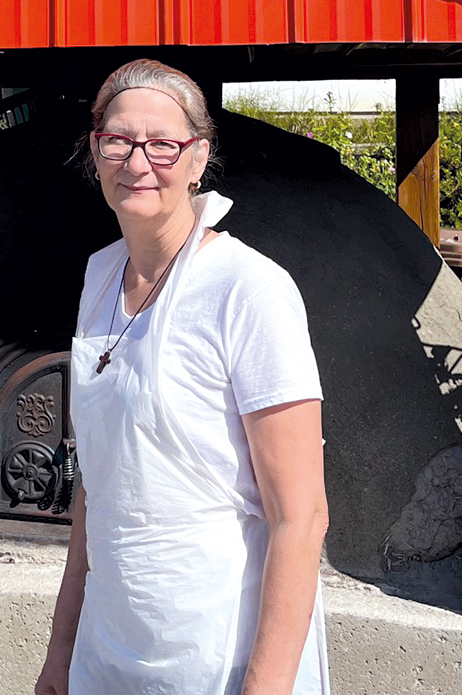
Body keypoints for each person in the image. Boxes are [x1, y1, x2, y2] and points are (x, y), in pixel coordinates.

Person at [34, 60, 329, 695]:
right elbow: (99, 485)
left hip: (215, 656)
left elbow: (300, 516)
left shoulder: (249, 290)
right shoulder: (99, 278)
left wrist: (267, 686)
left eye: (163, 144)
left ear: (198, 158)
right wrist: (62, 652)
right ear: (95, 150)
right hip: (107, 654)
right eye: (118, 140)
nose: (138, 163)